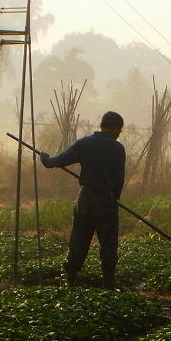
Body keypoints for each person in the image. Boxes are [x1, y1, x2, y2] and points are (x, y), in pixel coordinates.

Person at [40, 111, 126, 288]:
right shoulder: (117, 148)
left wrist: (46, 159)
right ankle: (108, 286)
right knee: (108, 244)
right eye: (120, 130)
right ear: (115, 128)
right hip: (106, 201)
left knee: (78, 241)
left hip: (85, 200)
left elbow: (60, 160)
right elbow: (119, 180)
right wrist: (114, 198)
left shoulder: (84, 144)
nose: (119, 134)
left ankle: (70, 280)